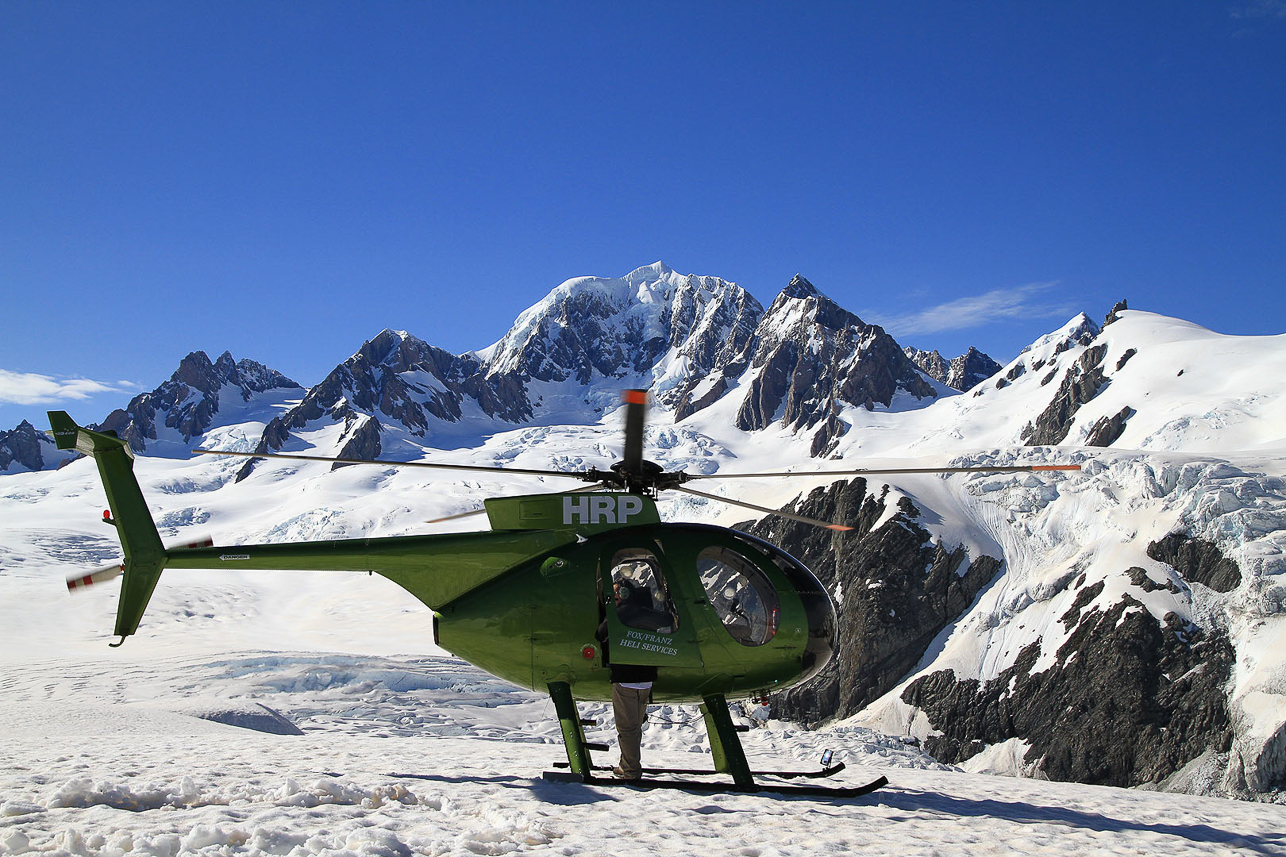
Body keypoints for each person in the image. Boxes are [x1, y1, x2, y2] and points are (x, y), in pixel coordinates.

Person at [598, 582, 659, 781]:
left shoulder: (621, 614)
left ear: (625, 594)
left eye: (616, 591)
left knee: (627, 729)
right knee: (634, 727)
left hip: (626, 679)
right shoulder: (646, 612)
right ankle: (626, 764)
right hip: (646, 680)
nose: (614, 595)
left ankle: (631, 771)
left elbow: (600, 633)